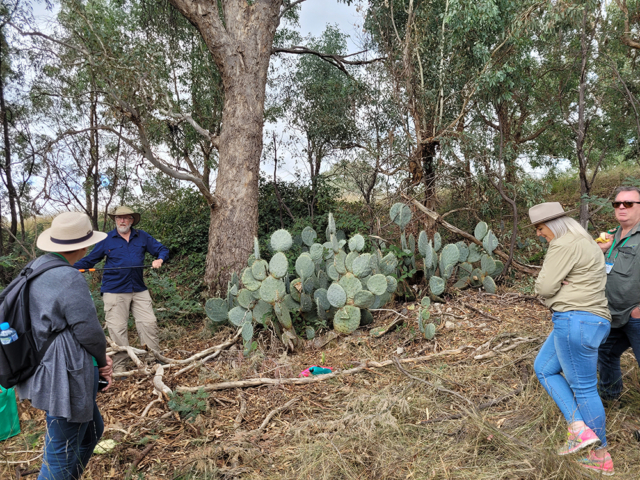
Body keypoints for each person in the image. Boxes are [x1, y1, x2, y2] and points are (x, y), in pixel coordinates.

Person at [16, 211, 113, 480]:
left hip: (42, 365)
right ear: (83, 246)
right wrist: (103, 362)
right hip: (63, 374)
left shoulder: (35, 268)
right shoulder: (68, 277)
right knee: (61, 449)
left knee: (92, 431)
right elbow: (89, 332)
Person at [530, 202, 614, 476]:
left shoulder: (563, 244)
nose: (539, 234)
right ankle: (579, 426)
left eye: (540, 228)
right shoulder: (586, 241)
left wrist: (551, 291)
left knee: (585, 388)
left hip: (574, 320)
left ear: (552, 225)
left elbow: (543, 286)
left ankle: (600, 455)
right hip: (591, 320)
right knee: (543, 368)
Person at [74, 206, 169, 373]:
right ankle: (120, 367)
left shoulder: (142, 236)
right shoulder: (106, 239)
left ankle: (154, 360)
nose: (122, 221)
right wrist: (70, 267)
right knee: (117, 329)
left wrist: (159, 259)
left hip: (139, 289)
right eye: (119, 218)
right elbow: (89, 260)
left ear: (132, 220)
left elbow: (162, 249)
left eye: (126, 218)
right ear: (115, 220)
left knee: (149, 323)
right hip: (114, 291)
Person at [595, 186, 640, 402]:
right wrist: (600, 250)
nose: (621, 207)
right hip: (611, 314)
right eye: (617, 204)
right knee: (605, 353)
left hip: (635, 315)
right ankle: (609, 398)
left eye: (628, 203)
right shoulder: (610, 236)